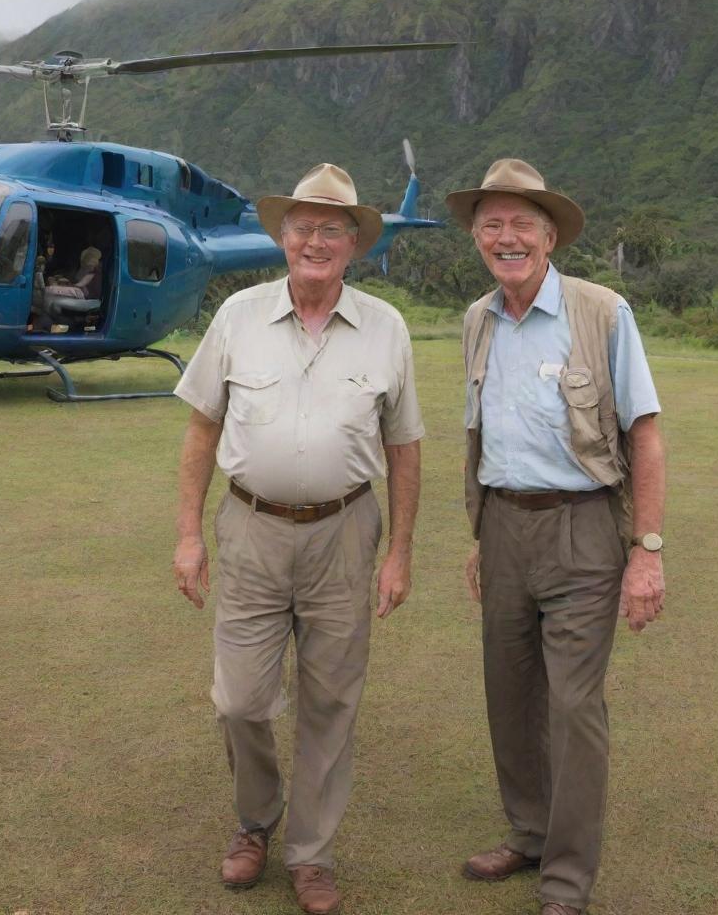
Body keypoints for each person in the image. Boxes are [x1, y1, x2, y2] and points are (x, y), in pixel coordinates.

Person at [172, 163, 424, 915]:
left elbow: (405, 446)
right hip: (249, 527)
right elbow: (201, 427)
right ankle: (256, 822)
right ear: (281, 236)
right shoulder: (237, 316)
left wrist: (400, 552)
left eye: (332, 230)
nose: (315, 241)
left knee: (330, 701)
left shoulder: (387, 327)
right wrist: (189, 534)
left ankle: (311, 854)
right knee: (241, 701)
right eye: (303, 227)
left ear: (354, 244)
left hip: (346, 533)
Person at [448, 159, 666, 915]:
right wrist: (482, 534)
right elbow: (488, 437)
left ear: (549, 235)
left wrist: (647, 550)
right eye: (492, 225)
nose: (506, 238)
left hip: (583, 531)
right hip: (504, 527)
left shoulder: (601, 312)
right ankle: (530, 832)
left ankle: (566, 879)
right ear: (478, 237)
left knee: (574, 709)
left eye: (521, 225)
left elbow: (645, 432)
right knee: (509, 697)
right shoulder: (478, 319)